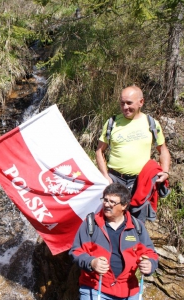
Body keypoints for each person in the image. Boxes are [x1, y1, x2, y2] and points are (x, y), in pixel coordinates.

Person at [69, 183, 158, 300]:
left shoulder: (137, 227)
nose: (107, 204)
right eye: (105, 200)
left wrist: (150, 264)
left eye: (112, 202)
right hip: (95, 288)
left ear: (124, 205)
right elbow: (76, 252)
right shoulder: (91, 223)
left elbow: (151, 253)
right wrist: (92, 262)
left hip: (129, 290)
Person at [95, 85, 171, 221]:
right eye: (122, 103)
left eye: (129, 103)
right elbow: (100, 150)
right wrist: (105, 176)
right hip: (115, 180)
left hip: (141, 182)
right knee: (111, 221)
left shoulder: (151, 123)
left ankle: (134, 242)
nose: (125, 107)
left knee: (137, 224)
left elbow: (163, 149)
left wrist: (165, 172)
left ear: (141, 102)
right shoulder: (112, 123)